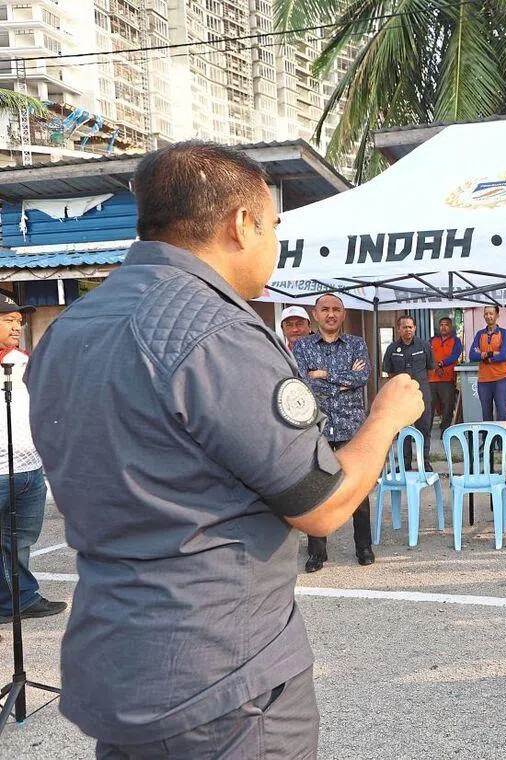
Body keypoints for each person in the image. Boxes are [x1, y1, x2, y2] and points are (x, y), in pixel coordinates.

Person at [26, 141, 423, 757]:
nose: (275, 242)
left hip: (116, 656)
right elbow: (320, 505)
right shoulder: (214, 332)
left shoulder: (71, 327)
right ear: (243, 224)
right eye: (273, 225)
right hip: (220, 678)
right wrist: (385, 419)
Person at [292, 293, 376, 573]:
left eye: (336, 310)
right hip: (317, 426)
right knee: (317, 490)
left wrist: (323, 375)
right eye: (325, 309)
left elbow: (362, 378)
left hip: (351, 425)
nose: (331, 314)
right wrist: (340, 381)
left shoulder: (356, 344)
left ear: (343, 314)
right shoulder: (302, 346)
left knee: (358, 488)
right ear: (315, 314)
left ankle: (363, 546)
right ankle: (317, 552)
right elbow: (302, 382)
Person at [0, 295, 66, 626]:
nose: (17, 326)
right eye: (8, 320)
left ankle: (21, 599)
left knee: (20, 541)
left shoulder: (23, 361)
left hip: (28, 469)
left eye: (19, 320)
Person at [383, 314, 434, 468]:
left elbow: (431, 370)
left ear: (415, 328)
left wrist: (418, 382)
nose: (408, 330)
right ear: (399, 329)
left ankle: (424, 462)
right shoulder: (392, 348)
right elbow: (389, 372)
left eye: (410, 327)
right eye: (404, 327)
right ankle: (405, 463)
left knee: (424, 427)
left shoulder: (424, 346)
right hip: (401, 395)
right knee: (403, 429)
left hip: (421, 392)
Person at [469, 305, 506, 421]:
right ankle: (488, 439)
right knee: (486, 414)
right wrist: (491, 354)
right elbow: (472, 356)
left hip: (500, 379)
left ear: (497, 315)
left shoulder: (504, 333)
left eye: (491, 313)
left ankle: (502, 439)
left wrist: (482, 354)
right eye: (486, 314)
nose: (489, 316)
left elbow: (503, 356)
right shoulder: (479, 334)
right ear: (483, 316)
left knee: (502, 413)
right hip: (484, 380)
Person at [429, 316, 463, 430]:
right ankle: (425, 431)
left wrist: (441, 364)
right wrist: (435, 365)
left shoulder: (456, 341)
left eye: (446, 325)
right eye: (441, 325)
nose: (443, 327)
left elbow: (455, 356)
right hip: (432, 379)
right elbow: (428, 355)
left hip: (447, 378)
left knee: (447, 405)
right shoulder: (432, 340)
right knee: (429, 405)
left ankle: (445, 430)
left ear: (451, 326)